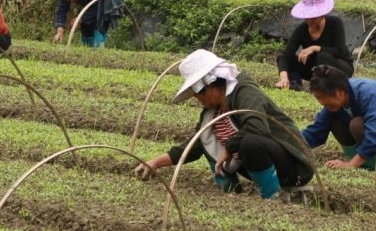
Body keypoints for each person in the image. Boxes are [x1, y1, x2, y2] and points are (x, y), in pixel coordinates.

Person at [132, 49, 313, 200]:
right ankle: (229, 192)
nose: (197, 98)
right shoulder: (213, 112)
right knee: (208, 138)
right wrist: (155, 163)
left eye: (198, 93)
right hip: (267, 162)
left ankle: (273, 198)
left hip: (294, 167)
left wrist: (229, 147)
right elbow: (194, 146)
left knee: (250, 142)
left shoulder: (244, 91)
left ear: (211, 85)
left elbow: (257, 126)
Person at [274, 0, 354, 91]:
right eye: (308, 17)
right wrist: (284, 77)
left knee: (323, 56)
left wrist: (314, 48)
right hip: (315, 68)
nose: (310, 21)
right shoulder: (302, 29)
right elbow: (285, 55)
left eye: (314, 17)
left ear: (322, 15)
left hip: (339, 67)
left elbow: (339, 51)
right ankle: (293, 84)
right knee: (285, 58)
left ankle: (327, 87)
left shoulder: (335, 23)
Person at [52, 0, 127, 47]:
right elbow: (61, 9)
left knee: (99, 21)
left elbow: (97, 6)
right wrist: (60, 31)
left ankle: (98, 48)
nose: (68, 0)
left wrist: (80, 19)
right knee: (86, 24)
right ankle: (87, 48)